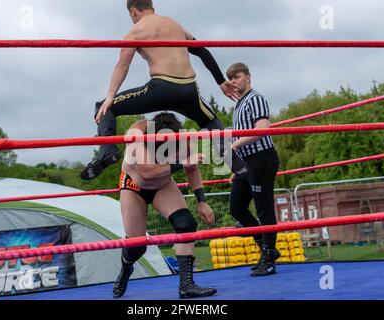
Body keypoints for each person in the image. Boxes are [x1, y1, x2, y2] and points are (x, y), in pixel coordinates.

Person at [80, 0, 246, 180]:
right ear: (152, 7)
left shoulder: (135, 31)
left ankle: (107, 151)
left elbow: (122, 65)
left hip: (162, 88)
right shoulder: (175, 26)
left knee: (105, 107)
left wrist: (110, 96)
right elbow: (202, 51)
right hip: (190, 90)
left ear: (134, 12)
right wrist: (221, 81)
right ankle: (229, 157)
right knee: (211, 121)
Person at [113, 112, 217, 299]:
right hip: (133, 186)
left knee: (186, 224)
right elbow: (147, 172)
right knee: (137, 247)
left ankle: (186, 284)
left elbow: (192, 169)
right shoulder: (136, 133)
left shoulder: (183, 139)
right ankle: (126, 267)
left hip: (162, 185)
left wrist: (202, 201)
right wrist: (181, 161)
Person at [227, 63, 281, 277]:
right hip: (246, 162)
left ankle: (268, 258)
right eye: (230, 79)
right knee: (236, 208)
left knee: (263, 207)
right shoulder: (239, 103)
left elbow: (262, 129)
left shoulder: (255, 98)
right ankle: (265, 245)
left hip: (262, 158)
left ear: (248, 77)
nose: (233, 82)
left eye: (236, 77)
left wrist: (235, 145)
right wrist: (237, 165)